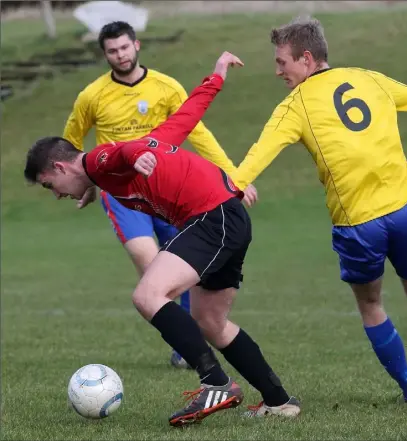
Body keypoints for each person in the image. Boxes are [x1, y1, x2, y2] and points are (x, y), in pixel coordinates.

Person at [24, 51, 299, 427]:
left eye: (50, 186)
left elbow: (120, 152)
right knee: (211, 321)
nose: (55, 194)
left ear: (59, 167)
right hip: (224, 218)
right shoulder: (99, 172)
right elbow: (183, 120)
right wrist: (215, 77)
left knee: (147, 295)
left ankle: (215, 383)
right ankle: (279, 401)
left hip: (211, 218)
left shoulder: (99, 160)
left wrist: (135, 155)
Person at [230, 16, 407, 405]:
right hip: (406, 207)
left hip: (359, 222)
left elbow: (254, 159)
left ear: (307, 58)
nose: (278, 71)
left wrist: (235, 185)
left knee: (370, 303)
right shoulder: (369, 78)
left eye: (283, 62)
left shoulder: (295, 105)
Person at [62, 21, 257, 369]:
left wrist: (234, 176)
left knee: (182, 266)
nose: (120, 54)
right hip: (122, 195)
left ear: (136, 45)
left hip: (168, 190)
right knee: (152, 265)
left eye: (124, 47)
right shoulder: (92, 96)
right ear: (104, 54)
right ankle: (193, 349)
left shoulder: (165, 86)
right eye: (112, 50)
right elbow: (69, 147)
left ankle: (190, 343)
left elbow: (194, 128)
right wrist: (88, 183)